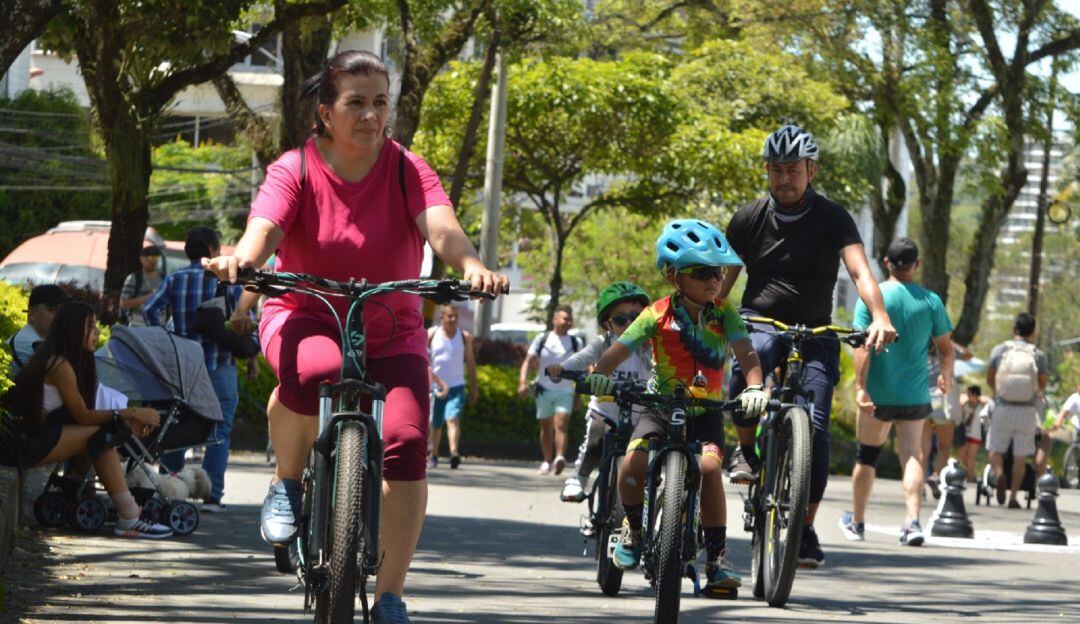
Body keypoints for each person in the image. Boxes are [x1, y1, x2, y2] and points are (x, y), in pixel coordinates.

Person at [202, 50, 507, 623]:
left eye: (380, 103)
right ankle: (287, 484)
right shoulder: (294, 167)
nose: (371, 115)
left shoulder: (407, 168)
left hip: (392, 329)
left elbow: (442, 227)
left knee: (408, 444)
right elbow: (264, 228)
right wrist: (242, 261)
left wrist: (471, 265)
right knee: (315, 371)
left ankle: (390, 595)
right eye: (356, 103)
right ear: (325, 112)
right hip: (306, 312)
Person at [722, 124, 897, 568]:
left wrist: (879, 315)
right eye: (776, 170)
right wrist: (712, 313)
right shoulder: (748, 217)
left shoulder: (834, 217)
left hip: (816, 330)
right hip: (760, 321)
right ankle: (745, 450)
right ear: (768, 171)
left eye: (793, 170)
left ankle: (804, 527)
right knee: (749, 363)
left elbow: (859, 271)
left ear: (811, 171)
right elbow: (724, 276)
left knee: (816, 429)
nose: (784, 178)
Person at [581, 219, 768, 593]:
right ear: (673, 275)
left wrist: (755, 387)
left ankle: (716, 559)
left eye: (717, 272)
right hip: (659, 407)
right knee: (632, 462)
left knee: (711, 470)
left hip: (706, 412)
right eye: (701, 272)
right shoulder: (656, 313)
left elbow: (746, 353)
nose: (713, 280)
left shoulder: (725, 313)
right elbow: (621, 348)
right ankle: (634, 530)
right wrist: (598, 375)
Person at [0, 302, 171, 538]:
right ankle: (130, 516)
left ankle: (119, 510)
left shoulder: (67, 361)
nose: (97, 332)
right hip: (22, 444)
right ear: (73, 329)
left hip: (32, 438)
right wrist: (132, 413)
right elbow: (82, 415)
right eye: (90, 326)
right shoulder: (60, 365)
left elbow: (86, 412)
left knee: (103, 432)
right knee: (102, 435)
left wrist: (127, 419)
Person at [839, 237, 953, 546]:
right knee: (913, 455)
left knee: (867, 456)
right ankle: (912, 522)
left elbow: (862, 346)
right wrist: (946, 378)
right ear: (917, 265)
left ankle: (857, 522)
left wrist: (860, 387)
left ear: (887, 263)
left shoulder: (873, 298)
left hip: (878, 394)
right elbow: (946, 349)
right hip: (914, 395)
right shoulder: (931, 301)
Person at [143, 226, 254, 513]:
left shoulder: (174, 279)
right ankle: (212, 496)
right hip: (221, 365)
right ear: (214, 250)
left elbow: (149, 310)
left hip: (182, 369)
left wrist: (166, 341)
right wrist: (251, 358)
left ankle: (170, 492)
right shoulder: (229, 282)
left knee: (177, 426)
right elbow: (247, 323)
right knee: (220, 431)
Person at [546, 282, 652, 504]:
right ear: (607, 324)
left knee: (645, 453)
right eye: (621, 320)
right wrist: (562, 369)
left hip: (639, 414)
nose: (630, 324)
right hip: (605, 410)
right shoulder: (603, 343)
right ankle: (579, 478)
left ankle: (644, 494)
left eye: (636, 318)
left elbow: (662, 370)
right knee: (595, 440)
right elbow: (582, 358)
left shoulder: (649, 346)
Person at [986, 312, 1048, 509]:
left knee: (995, 449)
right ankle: (1013, 496)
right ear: (1033, 332)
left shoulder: (1000, 350)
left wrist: (996, 392)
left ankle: (999, 474)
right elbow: (1042, 383)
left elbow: (990, 377)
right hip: (1027, 411)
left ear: (1014, 329)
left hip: (1003, 407)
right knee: (1020, 457)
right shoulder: (1038, 355)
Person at [517, 306, 583, 475]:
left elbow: (582, 368)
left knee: (561, 424)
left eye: (570, 319)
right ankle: (547, 461)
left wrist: (579, 395)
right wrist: (522, 382)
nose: (568, 322)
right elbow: (527, 362)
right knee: (546, 426)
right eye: (565, 319)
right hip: (544, 389)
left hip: (565, 390)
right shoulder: (542, 339)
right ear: (555, 320)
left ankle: (559, 457)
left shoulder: (576, 342)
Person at [426, 305, 478, 469]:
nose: (453, 319)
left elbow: (470, 362)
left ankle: (454, 452)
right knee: (435, 423)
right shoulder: (432, 334)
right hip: (436, 388)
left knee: (452, 418)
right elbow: (424, 360)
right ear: (441, 317)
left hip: (457, 386)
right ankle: (434, 454)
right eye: (450, 316)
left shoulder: (464, 336)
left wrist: (474, 387)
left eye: (456, 316)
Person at [923, 340, 973, 496]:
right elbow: (968, 355)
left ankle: (919, 483)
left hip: (923, 398)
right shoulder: (946, 346)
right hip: (942, 400)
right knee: (944, 446)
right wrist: (948, 340)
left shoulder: (919, 344)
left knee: (922, 448)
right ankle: (936, 476)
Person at [7, 284, 70, 377]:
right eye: (53, 310)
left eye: (62, 311)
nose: (60, 316)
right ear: (32, 313)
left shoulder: (33, 337)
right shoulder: (31, 343)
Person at [118, 244, 163, 327]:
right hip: (137, 326)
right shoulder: (133, 279)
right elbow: (123, 303)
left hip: (159, 327)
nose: (153, 261)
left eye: (156, 258)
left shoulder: (164, 280)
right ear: (141, 259)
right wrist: (147, 298)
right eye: (150, 258)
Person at [958, 385, 991, 480]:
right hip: (965, 434)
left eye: (970, 394)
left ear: (975, 395)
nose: (968, 396)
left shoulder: (982, 405)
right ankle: (971, 474)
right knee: (962, 456)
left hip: (976, 435)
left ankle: (970, 478)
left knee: (971, 457)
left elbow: (988, 400)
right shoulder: (965, 404)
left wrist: (979, 399)